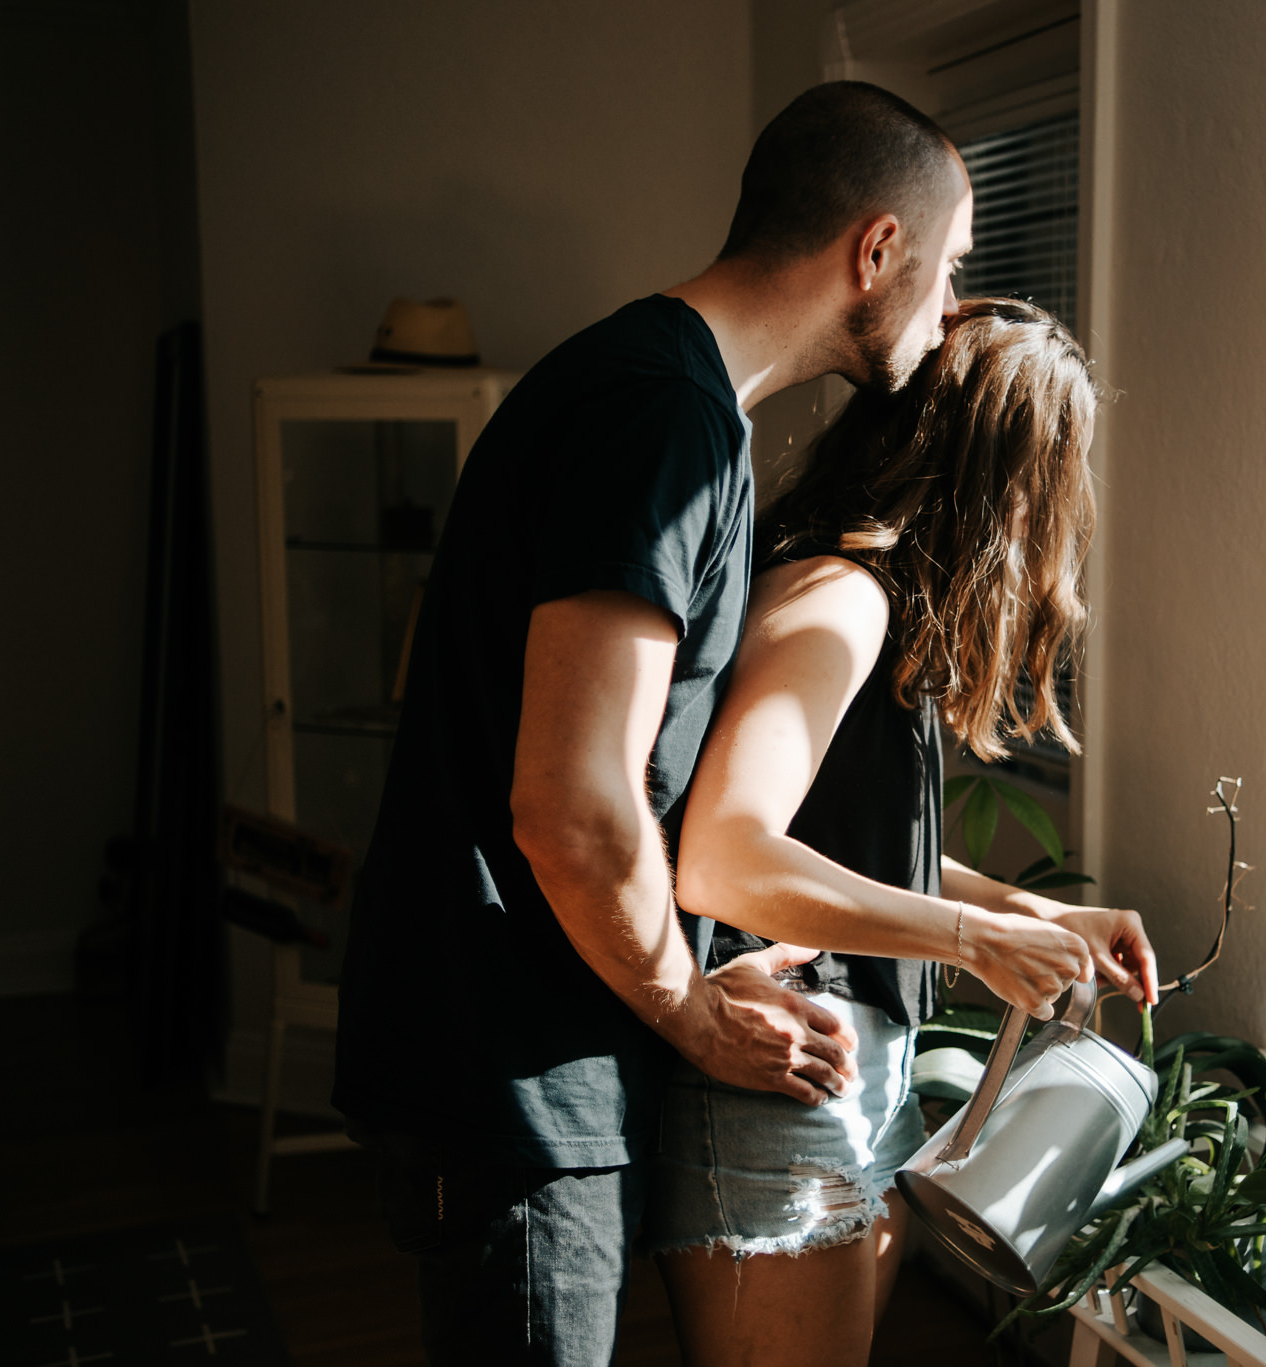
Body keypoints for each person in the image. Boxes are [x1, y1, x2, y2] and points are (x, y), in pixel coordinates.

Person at [331, 83, 1117, 1366]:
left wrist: (1011, 917)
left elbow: (651, 794)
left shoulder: (661, 404)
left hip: (537, 1042)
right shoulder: (663, 422)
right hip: (515, 1058)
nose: (952, 308)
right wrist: (696, 1010)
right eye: (950, 265)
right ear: (874, 250)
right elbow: (572, 805)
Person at [648, 297, 1159, 1367]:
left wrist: (1028, 909)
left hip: (838, 1074)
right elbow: (726, 854)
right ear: (1003, 477)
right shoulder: (841, 597)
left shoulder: (866, 597)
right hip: (783, 1073)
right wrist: (973, 943)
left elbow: (848, 841)